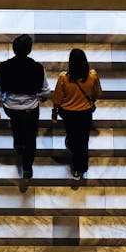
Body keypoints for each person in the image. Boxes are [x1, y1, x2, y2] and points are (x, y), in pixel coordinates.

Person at [0, 34, 50, 182]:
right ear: (29, 50)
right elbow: (46, 92)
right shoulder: (38, 68)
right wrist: (42, 98)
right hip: (30, 109)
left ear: (14, 49)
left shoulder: (4, 67)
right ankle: (27, 168)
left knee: (16, 125)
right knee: (31, 138)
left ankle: (18, 144)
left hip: (11, 108)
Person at [52, 48, 102, 180]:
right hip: (85, 113)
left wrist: (55, 111)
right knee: (83, 140)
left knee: (72, 134)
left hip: (68, 113)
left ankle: (72, 145)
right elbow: (97, 94)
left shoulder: (64, 77)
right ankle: (80, 168)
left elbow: (57, 98)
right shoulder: (92, 76)